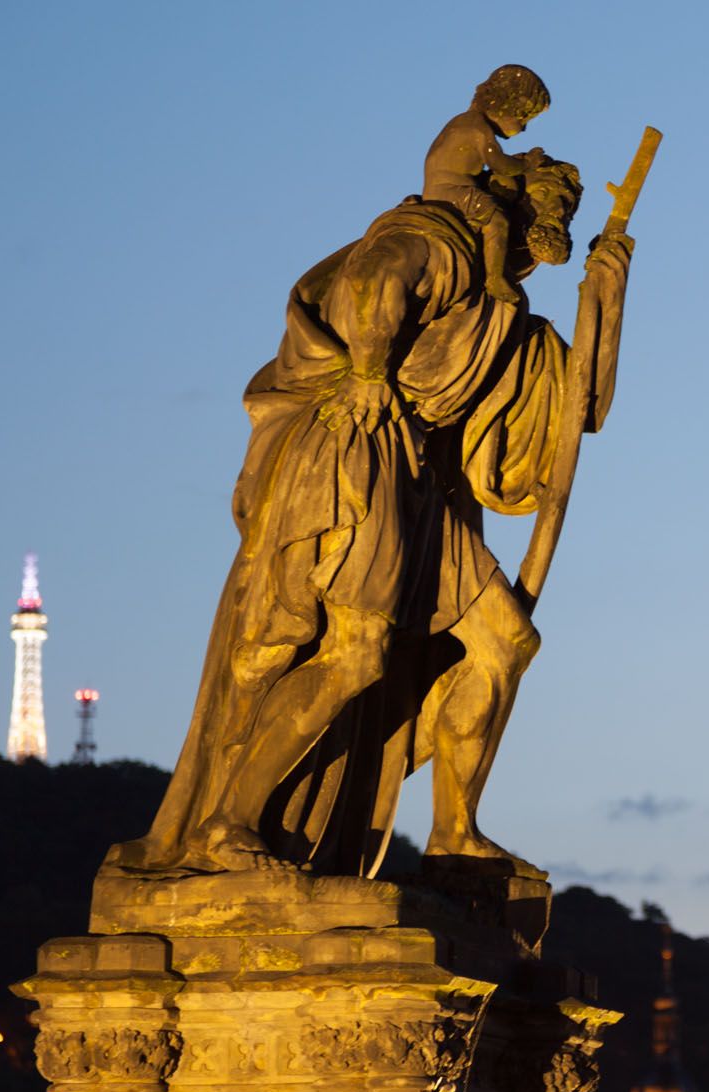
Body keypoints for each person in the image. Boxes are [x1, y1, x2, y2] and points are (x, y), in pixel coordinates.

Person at [107, 139, 633, 879]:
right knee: (353, 654)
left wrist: (606, 304)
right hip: (363, 458)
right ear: (509, 205)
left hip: (422, 493)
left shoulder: (507, 319)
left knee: (506, 644)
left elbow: (580, 410)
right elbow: (374, 277)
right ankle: (228, 822)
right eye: (547, 207)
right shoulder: (440, 241)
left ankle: (455, 833)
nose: (553, 228)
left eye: (564, 217)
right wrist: (368, 370)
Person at [421, 64, 551, 305]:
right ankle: (495, 276)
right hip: (452, 191)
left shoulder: (462, 121)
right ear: (505, 105)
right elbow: (499, 163)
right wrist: (528, 164)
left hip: (439, 188)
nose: (523, 127)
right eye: (522, 117)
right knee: (496, 217)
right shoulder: (477, 128)